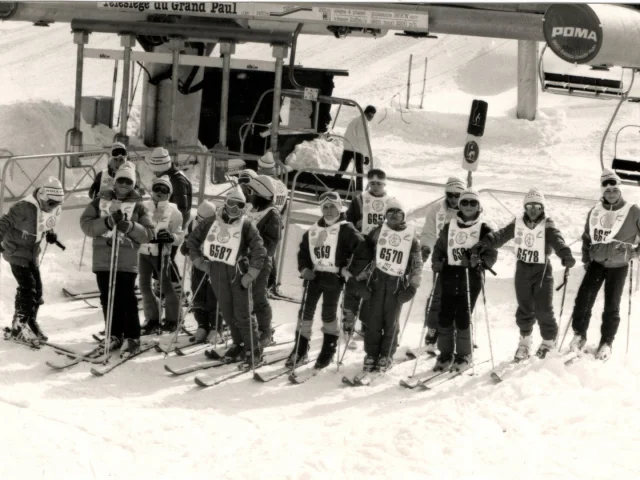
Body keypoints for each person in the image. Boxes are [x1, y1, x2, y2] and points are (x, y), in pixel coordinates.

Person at [470, 188, 575, 361]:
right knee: (524, 307)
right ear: (525, 207)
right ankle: (525, 342)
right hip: (523, 270)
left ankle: (548, 342)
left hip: (542, 271)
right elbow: (501, 235)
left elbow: (557, 239)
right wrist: (485, 243)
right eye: (529, 206)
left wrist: (565, 254)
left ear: (542, 208)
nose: (533, 209)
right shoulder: (518, 223)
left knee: (543, 308)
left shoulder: (547, 224)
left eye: (537, 206)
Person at [186, 187, 267, 369]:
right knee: (228, 313)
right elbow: (192, 241)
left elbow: (259, 250)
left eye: (239, 205)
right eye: (231, 203)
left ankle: (254, 350)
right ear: (225, 202)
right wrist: (201, 262)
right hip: (217, 271)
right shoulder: (211, 222)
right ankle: (238, 344)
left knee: (243, 314)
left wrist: (251, 274)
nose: (234, 208)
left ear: (243, 207)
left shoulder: (246, 225)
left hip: (237, 273)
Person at [80, 161, 154, 357]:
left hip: (126, 260)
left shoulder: (139, 206)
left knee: (126, 298)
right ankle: (113, 333)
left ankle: (132, 337)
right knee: (107, 298)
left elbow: (148, 234)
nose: (123, 185)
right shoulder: (100, 201)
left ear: (134, 184)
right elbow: (86, 225)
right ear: (115, 181)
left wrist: (130, 227)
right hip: (103, 258)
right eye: (120, 180)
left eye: (128, 182)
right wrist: (107, 222)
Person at [567, 169, 640, 360]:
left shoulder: (633, 210)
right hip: (597, 263)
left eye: (614, 189)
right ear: (602, 191)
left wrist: (637, 252)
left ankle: (607, 342)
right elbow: (586, 237)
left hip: (619, 265)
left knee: (612, 305)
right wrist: (586, 258)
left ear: (620, 190)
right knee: (583, 300)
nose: (611, 193)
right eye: (607, 190)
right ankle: (579, 335)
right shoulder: (596, 211)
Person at [286, 191, 364, 370]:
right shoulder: (313, 230)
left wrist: (349, 270)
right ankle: (301, 348)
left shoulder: (346, 228)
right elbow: (303, 252)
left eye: (332, 207)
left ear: (339, 208)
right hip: (314, 276)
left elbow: (362, 250)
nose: (329, 210)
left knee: (328, 314)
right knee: (305, 311)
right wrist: (304, 268)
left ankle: (328, 349)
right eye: (325, 207)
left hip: (333, 277)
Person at [349, 198, 423, 372]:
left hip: (396, 285)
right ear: (385, 215)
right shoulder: (377, 232)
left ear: (403, 216)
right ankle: (371, 353)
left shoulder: (410, 236)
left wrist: (412, 286)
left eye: (398, 212)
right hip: (376, 282)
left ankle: (386, 354)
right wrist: (360, 281)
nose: (394, 215)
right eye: (390, 212)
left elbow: (417, 263)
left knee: (391, 322)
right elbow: (364, 258)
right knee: (373, 321)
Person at [431, 188, 498, 372]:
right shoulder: (450, 225)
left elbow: (491, 255)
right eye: (465, 202)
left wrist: (478, 260)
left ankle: (464, 354)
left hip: (471, 275)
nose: (468, 206)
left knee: (463, 315)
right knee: (445, 314)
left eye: (473, 203)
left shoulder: (485, 229)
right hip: (450, 273)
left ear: (478, 206)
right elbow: (439, 247)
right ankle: (445, 353)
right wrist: (437, 261)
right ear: (460, 205)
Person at [0, 177, 65, 343]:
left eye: (57, 204)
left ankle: (28, 321)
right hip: (16, 251)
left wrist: (50, 233)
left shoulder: (48, 207)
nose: (53, 208)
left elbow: (45, 223)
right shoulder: (22, 207)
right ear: (42, 196)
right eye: (51, 204)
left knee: (37, 290)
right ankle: (20, 326)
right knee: (28, 288)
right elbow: (4, 222)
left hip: (32, 253)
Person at [343, 168, 393, 339]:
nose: (375, 186)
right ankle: (348, 319)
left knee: (374, 284)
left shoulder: (391, 202)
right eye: (372, 183)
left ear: (384, 184)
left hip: (381, 247)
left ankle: (367, 321)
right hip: (362, 245)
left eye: (379, 183)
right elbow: (347, 222)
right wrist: (354, 225)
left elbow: (399, 222)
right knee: (355, 281)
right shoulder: (359, 199)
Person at [419, 177, 465, 354]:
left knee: (459, 297)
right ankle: (432, 331)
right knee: (437, 296)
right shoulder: (437, 210)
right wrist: (425, 248)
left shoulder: (469, 208)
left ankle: (456, 332)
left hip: (461, 261)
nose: (454, 199)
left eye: (457, 195)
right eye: (450, 195)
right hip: (441, 259)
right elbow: (429, 232)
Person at [138, 176, 185, 334]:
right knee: (144, 286)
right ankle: (152, 318)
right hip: (144, 251)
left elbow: (180, 236)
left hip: (161, 253)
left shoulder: (174, 212)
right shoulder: (144, 207)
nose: (159, 192)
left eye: (164, 190)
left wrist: (171, 238)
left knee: (166, 287)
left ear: (169, 194)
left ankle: (174, 318)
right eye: (157, 188)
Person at [245, 175, 282, 347]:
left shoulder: (271, 214)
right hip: (244, 260)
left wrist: (253, 249)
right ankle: (248, 327)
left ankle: (265, 330)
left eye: (253, 192)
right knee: (243, 296)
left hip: (260, 261)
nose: (250, 195)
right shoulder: (250, 210)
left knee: (258, 296)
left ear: (262, 193)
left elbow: (271, 242)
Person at [180, 200, 221, 344]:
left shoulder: (220, 225)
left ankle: (216, 328)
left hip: (214, 265)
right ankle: (202, 326)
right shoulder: (193, 223)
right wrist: (186, 247)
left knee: (214, 295)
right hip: (198, 264)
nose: (202, 222)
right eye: (200, 218)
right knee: (198, 294)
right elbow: (187, 240)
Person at [336, 105, 376, 192]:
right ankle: (358, 190)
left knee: (342, 168)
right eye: (370, 116)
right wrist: (366, 155)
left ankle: (332, 184)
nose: (371, 118)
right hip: (357, 150)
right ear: (365, 113)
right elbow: (363, 140)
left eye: (372, 117)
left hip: (348, 148)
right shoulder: (363, 123)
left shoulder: (357, 120)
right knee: (359, 172)